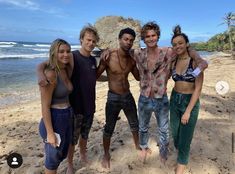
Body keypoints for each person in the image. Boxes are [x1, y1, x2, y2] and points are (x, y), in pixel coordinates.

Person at [132, 22, 208, 163]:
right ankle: (143, 147)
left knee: (163, 128)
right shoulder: (138, 53)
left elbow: (186, 48)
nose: (150, 38)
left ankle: (163, 150)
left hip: (161, 98)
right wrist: (108, 52)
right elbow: (124, 52)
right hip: (144, 98)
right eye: (147, 36)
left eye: (153, 35)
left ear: (158, 36)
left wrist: (199, 59)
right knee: (143, 127)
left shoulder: (168, 52)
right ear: (143, 38)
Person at [37, 24, 100, 174]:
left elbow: (93, 76)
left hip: (75, 111)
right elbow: (44, 65)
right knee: (58, 153)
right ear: (81, 40)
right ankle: (69, 164)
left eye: (93, 41)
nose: (65, 54)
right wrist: (40, 73)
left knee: (69, 146)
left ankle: (81, 155)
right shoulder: (67, 62)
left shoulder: (70, 67)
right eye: (88, 40)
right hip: (63, 113)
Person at [96, 28, 140, 169]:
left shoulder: (132, 59)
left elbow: (138, 77)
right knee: (109, 128)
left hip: (127, 95)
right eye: (126, 39)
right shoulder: (108, 56)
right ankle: (106, 154)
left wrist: (139, 61)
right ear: (120, 39)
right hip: (113, 97)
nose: (128, 42)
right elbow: (96, 75)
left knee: (134, 124)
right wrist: (109, 78)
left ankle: (138, 146)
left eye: (131, 40)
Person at [169, 25, 204, 174]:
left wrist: (188, 111)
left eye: (180, 43)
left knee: (185, 136)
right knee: (175, 133)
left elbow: (198, 88)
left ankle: (181, 165)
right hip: (174, 98)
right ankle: (181, 150)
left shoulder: (194, 62)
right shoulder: (173, 61)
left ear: (187, 44)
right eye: (175, 44)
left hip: (190, 101)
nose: (177, 46)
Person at [38, 39, 73, 174]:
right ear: (54, 53)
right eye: (61, 51)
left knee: (59, 156)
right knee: (52, 160)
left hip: (67, 116)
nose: (65, 54)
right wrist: (50, 133)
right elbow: (45, 106)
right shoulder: (51, 74)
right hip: (55, 119)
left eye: (68, 51)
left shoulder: (65, 69)